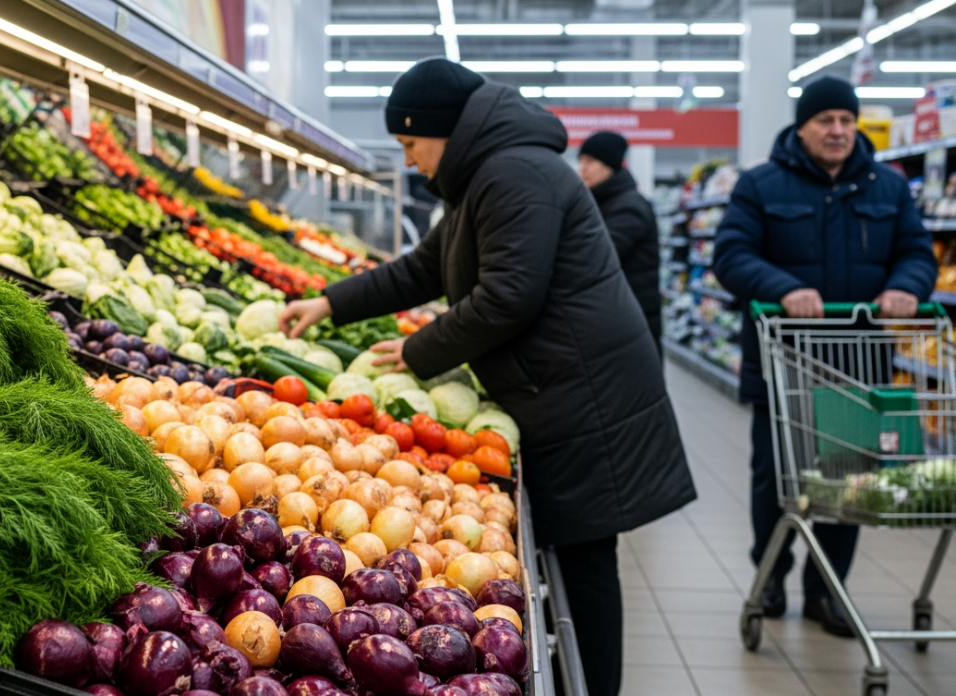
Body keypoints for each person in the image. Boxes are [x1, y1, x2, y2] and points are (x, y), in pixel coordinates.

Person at [279, 58, 696, 696]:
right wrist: (332, 301)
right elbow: (426, 267)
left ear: (441, 130)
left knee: (586, 565)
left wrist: (419, 352)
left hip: (586, 397)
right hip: (560, 387)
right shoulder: (491, 173)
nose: (412, 160)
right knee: (579, 561)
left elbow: (509, 296)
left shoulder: (513, 172)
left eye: (410, 144)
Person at [713, 76, 936, 636]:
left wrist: (908, 284)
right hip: (782, 364)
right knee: (777, 478)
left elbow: (916, 252)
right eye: (825, 121)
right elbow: (731, 255)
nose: (837, 130)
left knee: (849, 479)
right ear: (803, 126)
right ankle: (769, 576)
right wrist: (782, 287)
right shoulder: (761, 184)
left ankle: (827, 590)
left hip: (859, 366)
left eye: (846, 120)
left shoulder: (888, 185)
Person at [579, 131, 662, 355]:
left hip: (633, 318)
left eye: (590, 161)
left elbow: (601, 254)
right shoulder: (604, 202)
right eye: (581, 161)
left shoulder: (629, 206)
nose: (582, 168)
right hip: (618, 316)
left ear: (610, 165)